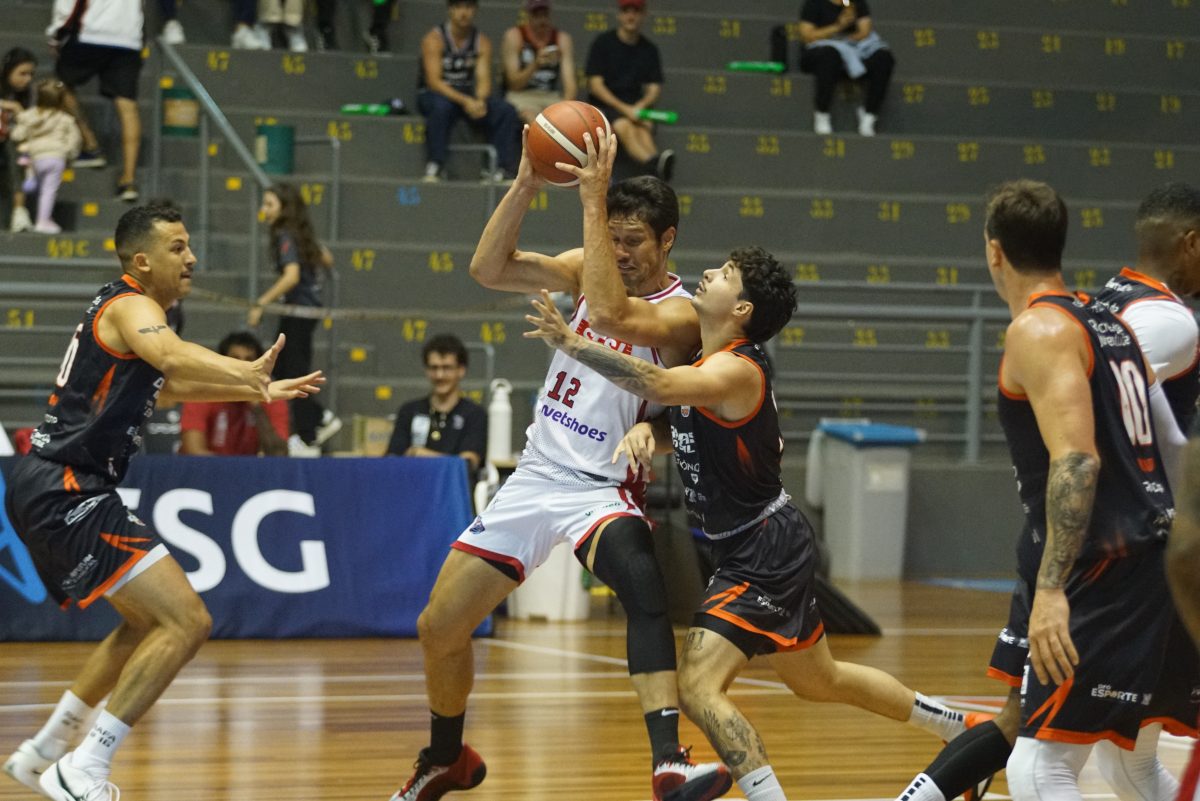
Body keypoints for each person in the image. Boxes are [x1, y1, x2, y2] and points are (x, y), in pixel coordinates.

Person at [524, 135, 978, 801]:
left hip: (761, 550)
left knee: (698, 686)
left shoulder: (735, 369)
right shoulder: (707, 361)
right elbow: (684, 415)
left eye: (725, 274)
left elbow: (662, 383)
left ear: (740, 310)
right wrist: (651, 431)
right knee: (820, 679)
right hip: (760, 542)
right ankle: (961, 729)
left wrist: (573, 342)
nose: (709, 272)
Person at [388, 123, 730, 801]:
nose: (620, 252)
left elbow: (619, 321)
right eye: (614, 238)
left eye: (634, 241)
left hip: (601, 487)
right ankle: (447, 758)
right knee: (439, 626)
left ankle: (670, 761)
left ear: (667, 241)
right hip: (537, 474)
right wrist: (525, 182)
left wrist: (651, 432)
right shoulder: (587, 265)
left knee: (642, 584)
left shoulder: (682, 315)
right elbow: (488, 269)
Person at [0, 202, 322, 801]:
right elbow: (173, 357)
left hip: (53, 482)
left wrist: (255, 390)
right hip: (67, 484)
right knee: (187, 621)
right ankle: (82, 767)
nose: (191, 257)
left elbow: (168, 387)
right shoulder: (133, 305)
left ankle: (43, 750)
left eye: (189, 245)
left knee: (145, 624)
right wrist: (245, 371)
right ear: (142, 260)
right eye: (177, 247)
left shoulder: (131, 314)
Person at [892, 181, 1200, 801]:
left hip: (1101, 559)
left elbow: (1078, 460)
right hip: (1142, 549)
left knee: (1039, 766)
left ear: (994, 251)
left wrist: (1052, 588)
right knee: (1124, 763)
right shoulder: (1107, 321)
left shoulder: (1039, 329)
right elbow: (1171, 442)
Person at [248, 183, 342, 453]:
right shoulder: (299, 234)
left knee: (294, 373)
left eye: (269, 204)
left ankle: (311, 431)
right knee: (284, 369)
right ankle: (318, 419)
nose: (264, 210)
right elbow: (327, 258)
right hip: (306, 310)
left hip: (299, 310)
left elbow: (292, 276)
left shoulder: (284, 234)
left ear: (285, 208)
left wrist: (261, 304)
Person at [48, 0, 144, 201]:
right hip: (128, 36)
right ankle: (129, 180)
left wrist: (56, 34)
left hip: (90, 31)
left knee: (59, 86)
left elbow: (67, 6)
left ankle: (90, 145)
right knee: (128, 106)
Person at [417, 0, 520, 183]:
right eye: (458, 7)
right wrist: (466, 101)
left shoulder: (482, 41)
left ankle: (502, 169)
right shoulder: (434, 39)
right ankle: (435, 165)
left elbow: (483, 80)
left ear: (475, 10)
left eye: (468, 7)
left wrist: (479, 100)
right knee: (441, 108)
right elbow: (434, 81)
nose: (463, 12)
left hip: (467, 93)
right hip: (436, 93)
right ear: (450, 10)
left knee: (505, 111)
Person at [584, 0, 674, 181]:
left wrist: (640, 106)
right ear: (619, 14)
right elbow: (595, 85)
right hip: (605, 107)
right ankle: (655, 166)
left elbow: (654, 88)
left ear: (644, 15)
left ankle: (656, 166)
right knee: (624, 124)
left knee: (643, 127)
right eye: (626, 11)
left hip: (635, 106)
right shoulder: (603, 43)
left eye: (636, 11)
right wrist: (626, 110)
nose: (631, 16)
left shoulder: (649, 49)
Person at [386, 334, 487, 481]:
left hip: (453, 489)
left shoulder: (474, 414)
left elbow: (467, 463)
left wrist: (419, 454)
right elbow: (392, 460)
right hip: (412, 485)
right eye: (434, 368)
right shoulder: (409, 411)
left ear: (461, 370)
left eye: (447, 368)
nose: (439, 375)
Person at [179, 331, 290, 456]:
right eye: (235, 360)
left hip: (247, 468)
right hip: (207, 468)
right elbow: (194, 452)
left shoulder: (271, 396)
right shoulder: (202, 393)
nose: (242, 367)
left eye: (249, 360)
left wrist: (257, 408)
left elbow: (279, 454)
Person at [798, 0, 895, 137]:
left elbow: (864, 31)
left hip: (851, 49)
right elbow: (807, 35)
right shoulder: (814, 3)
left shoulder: (852, 2)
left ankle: (869, 115)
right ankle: (822, 113)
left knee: (883, 58)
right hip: (820, 51)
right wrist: (838, 26)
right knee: (830, 55)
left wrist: (848, 34)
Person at [10, 78, 81, 235]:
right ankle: (43, 221)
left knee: (38, 184)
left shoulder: (29, 116)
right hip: (56, 157)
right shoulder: (64, 119)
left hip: (35, 157)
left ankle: (31, 181)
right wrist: (70, 154)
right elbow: (74, 140)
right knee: (48, 190)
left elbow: (17, 134)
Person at [501, 0, 577, 124]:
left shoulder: (562, 39)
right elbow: (514, 85)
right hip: (522, 96)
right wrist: (535, 64)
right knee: (533, 118)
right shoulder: (515, 36)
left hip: (551, 96)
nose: (542, 20)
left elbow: (570, 86)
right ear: (528, 15)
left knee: (568, 120)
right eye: (536, 15)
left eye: (544, 15)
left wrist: (566, 109)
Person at [1, 47, 38, 232]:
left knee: (18, 152)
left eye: (30, 74)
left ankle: (19, 211)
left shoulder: (29, 93)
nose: (27, 79)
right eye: (22, 73)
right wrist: (9, 105)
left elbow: (30, 122)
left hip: (10, 138)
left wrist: (20, 112)